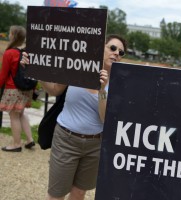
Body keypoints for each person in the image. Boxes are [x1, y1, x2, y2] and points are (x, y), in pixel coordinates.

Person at [22, 34, 127, 200]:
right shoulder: (77, 68)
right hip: (66, 139)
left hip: (95, 145)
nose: (116, 53)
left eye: (121, 52)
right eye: (112, 48)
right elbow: (55, 90)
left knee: (79, 192)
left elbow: (105, 118)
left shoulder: (118, 82)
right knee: (56, 193)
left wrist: (102, 89)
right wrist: (35, 69)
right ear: (101, 47)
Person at [0, 25, 35, 152]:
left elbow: (3, 75)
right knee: (21, 114)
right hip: (26, 89)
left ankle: (16, 144)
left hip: (13, 89)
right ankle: (30, 139)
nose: (9, 35)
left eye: (10, 33)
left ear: (13, 36)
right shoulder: (26, 52)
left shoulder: (10, 53)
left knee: (13, 116)